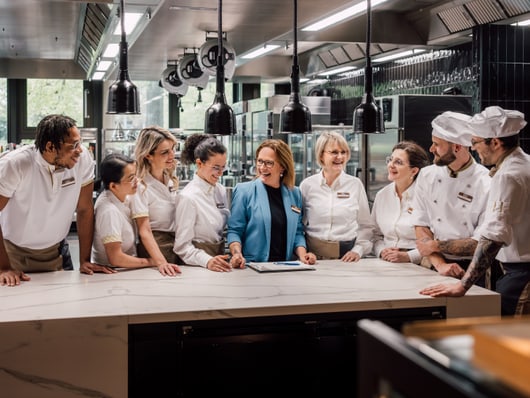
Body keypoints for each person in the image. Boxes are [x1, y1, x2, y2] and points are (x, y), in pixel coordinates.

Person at [420, 106, 529, 316]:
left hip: (522, 276)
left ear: (495, 142)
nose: (474, 148)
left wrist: (462, 286)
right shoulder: (524, 163)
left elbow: (492, 238)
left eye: (476, 142)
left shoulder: (508, 175)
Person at [0, 114, 113, 287]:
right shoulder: (15, 164)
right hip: (13, 254)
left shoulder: (82, 160)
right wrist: (3, 267)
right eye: (73, 145)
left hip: (57, 252)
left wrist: (84, 260)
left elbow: (85, 209)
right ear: (50, 146)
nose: (80, 150)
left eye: (80, 142)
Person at [412, 111, 491, 285]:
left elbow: (481, 243)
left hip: (473, 269)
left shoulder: (486, 182)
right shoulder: (427, 175)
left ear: (457, 147)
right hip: (433, 264)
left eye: (436, 144)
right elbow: (421, 224)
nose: (431, 149)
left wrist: (434, 245)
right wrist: (440, 265)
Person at [227, 139, 316, 267]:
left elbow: (297, 232)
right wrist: (236, 254)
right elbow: (235, 231)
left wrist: (303, 255)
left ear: (283, 167)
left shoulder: (294, 193)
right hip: (253, 267)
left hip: (285, 266)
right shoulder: (244, 191)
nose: (262, 167)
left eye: (269, 163)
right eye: (259, 161)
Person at [91, 153, 181, 276]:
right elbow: (116, 258)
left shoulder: (123, 197)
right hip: (114, 273)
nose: (137, 181)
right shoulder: (109, 211)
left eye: (135, 176)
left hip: (125, 270)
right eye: (131, 178)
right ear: (113, 185)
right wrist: (151, 261)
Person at [299, 131, 373, 262]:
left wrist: (358, 250)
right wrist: (303, 253)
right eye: (334, 152)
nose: (340, 157)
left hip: (347, 258)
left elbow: (365, 226)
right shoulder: (307, 185)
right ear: (321, 155)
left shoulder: (355, 184)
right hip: (313, 258)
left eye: (343, 152)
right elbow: (299, 226)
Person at [173, 134, 231, 272]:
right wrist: (207, 261)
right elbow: (182, 247)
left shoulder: (220, 191)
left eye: (223, 167)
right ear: (199, 163)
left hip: (220, 264)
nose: (220, 173)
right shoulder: (188, 197)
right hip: (197, 268)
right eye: (216, 167)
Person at [371, 140, 431, 264]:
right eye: (390, 159)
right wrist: (382, 251)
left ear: (414, 171)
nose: (391, 165)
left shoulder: (426, 197)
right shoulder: (382, 195)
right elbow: (374, 234)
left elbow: (436, 241)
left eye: (398, 162)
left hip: (420, 263)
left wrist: (409, 256)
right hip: (386, 262)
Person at [132, 126, 180, 264]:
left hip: (175, 244)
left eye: (173, 149)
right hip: (156, 248)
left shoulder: (169, 179)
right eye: (165, 152)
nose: (172, 156)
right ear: (148, 155)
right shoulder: (141, 187)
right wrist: (161, 262)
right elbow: (144, 231)